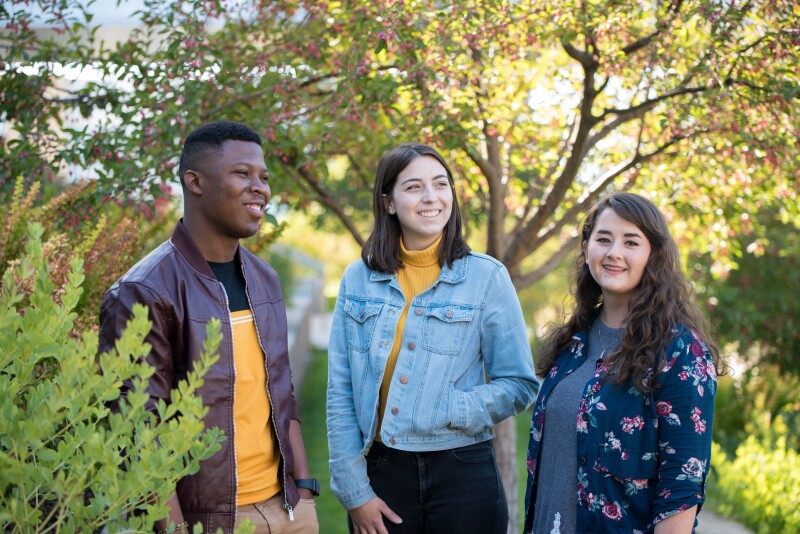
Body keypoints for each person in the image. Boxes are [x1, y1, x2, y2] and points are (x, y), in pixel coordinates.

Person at [99, 121, 319, 534]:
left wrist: (304, 490)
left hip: (289, 511)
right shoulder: (143, 291)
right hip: (212, 521)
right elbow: (139, 432)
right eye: (242, 173)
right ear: (194, 181)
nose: (261, 188)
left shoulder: (265, 278)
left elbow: (283, 392)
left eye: (264, 177)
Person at [326, 142, 539, 534]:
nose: (431, 197)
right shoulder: (357, 279)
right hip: (382, 474)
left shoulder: (486, 278)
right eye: (414, 187)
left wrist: (450, 408)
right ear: (388, 202)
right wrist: (353, 490)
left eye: (440, 185)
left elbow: (519, 384)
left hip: (464, 474)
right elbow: (340, 392)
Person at [523, 192, 724, 534]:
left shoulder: (680, 352)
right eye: (604, 239)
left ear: (653, 255)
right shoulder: (571, 345)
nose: (614, 252)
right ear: (587, 249)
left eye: (631, 242)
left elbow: (682, 487)